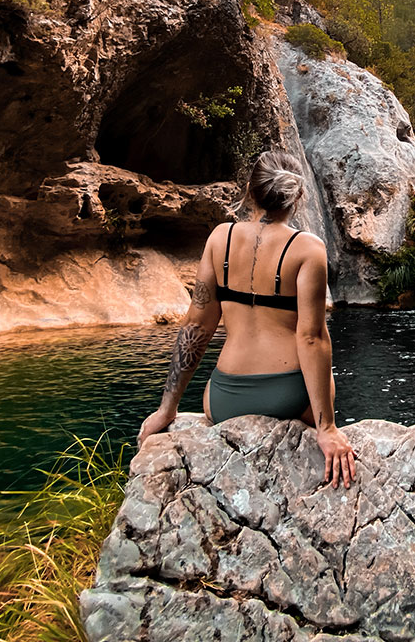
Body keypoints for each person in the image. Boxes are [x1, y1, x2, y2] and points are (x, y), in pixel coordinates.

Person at [136, 150, 356, 489]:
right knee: (325, 374)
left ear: (250, 191)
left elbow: (196, 326)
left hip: (225, 398)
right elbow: (311, 338)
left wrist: (168, 408)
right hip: (289, 395)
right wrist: (327, 429)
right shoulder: (307, 249)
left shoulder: (219, 238)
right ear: (298, 195)